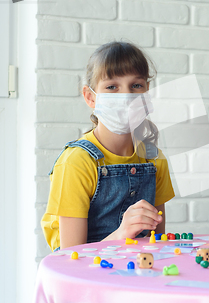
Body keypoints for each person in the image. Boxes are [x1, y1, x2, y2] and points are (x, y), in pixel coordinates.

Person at [41, 42, 175, 251]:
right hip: (86, 278)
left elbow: (157, 244)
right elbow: (71, 258)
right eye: (112, 87)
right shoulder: (76, 163)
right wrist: (122, 233)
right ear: (90, 97)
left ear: (146, 94)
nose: (126, 95)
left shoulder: (154, 159)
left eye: (136, 86)